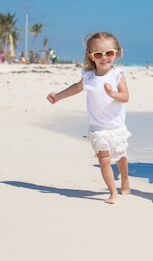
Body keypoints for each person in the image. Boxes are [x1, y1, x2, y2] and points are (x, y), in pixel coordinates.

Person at [46, 32, 131, 204]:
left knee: (121, 157)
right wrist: (58, 96)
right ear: (91, 56)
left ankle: (125, 179)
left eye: (109, 53)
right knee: (104, 159)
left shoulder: (117, 74)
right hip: (98, 128)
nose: (104, 58)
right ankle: (113, 192)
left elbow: (125, 97)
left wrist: (112, 93)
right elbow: (75, 88)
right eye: (99, 54)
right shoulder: (89, 77)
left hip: (117, 127)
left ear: (116, 53)